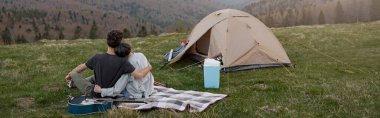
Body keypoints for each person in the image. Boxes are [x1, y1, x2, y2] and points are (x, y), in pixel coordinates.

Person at [65, 30, 152, 97]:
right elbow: (140, 75)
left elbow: (81, 67)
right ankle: (73, 83)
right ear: (119, 43)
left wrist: (69, 76)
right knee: (93, 78)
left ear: (107, 42)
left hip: (95, 91)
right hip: (108, 88)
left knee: (73, 73)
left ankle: (71, 81)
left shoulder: (97, 57)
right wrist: (149, 67)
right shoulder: (123, 61)